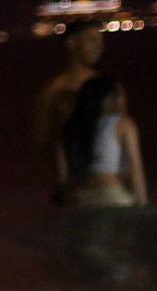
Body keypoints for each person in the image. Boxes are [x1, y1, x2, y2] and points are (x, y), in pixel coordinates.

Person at [32, 20, 116, 187]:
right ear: (72, 43)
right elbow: (42, 140)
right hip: (74, 182)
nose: (99, 47)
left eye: (100, 42)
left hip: (108, 181)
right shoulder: (54, 91)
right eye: (92, 40)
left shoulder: (108, 88)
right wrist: (56, 182)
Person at [55, 73, 147, 208]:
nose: (123, 101)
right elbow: (136, 170)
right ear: (107, 99)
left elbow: (62, 179)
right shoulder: (124, 124)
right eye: (120, 96)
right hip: (112, 196)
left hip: (79, 199)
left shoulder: (70, 128)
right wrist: (143, 206)